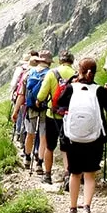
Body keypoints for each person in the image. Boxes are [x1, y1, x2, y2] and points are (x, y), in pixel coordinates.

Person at [55, 56, 107, 213]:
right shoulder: (99, 91)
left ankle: (72, 209)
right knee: (90, 175)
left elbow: (58, 105)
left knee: (74, 173)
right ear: (94, 72)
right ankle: (87, 207)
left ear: (79, 70)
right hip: (95, 138)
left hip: (73, 138)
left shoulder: (71, 88)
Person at [35, 50, 76, 185]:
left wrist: (39, 101)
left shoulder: (52, 73)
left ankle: (47, 175)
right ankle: (67, 175)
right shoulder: (76, 74)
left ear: (60, 61)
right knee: (66, 147)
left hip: (52, 115)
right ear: (72, 61)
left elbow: (41, 95)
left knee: (50, 146)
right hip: (69, 116)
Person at [15, 50, 52, 171]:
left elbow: (21, 95)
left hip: (30, 108)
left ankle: (27, 158)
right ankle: (39, 164)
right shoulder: (51, 74)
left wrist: (15, 111)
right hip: (45, 109)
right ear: (49, 62)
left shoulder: (29, 73)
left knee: (29, 134)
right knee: (42, 136)